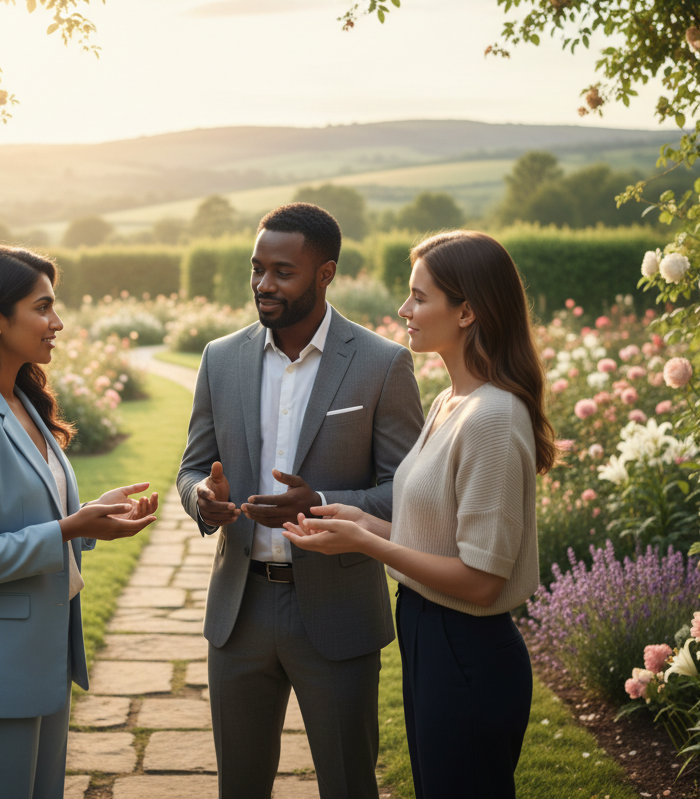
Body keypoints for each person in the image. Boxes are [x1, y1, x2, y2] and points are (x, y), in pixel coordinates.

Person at [284, 230, 556, 799]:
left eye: (419, 297)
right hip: (430, 635)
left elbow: (481, 581)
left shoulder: (492, 418)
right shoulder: (450, 402)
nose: (404, 310)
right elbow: (438, 540)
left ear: (468, 310)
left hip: (468, 650)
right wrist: (359, 523)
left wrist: (367, 545)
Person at [177, 203, 424, 799]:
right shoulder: (221, 357)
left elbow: (409, 493)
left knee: (347, 783)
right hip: (239, 612)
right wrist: (203, 499)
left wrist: (321, 505)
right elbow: (190, 468)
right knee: (239, 786)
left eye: (282, 272)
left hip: (337, 612)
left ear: (325, 273)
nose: (264, 285)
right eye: (257, 268)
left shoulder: (382, 364)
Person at [0, 247, 158, 799]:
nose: (57, 323)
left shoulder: (21, 401)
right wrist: (68, 529)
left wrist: (89, 521)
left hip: (37, 669)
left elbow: (29, 517)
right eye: (43, 307)